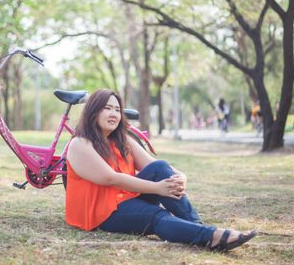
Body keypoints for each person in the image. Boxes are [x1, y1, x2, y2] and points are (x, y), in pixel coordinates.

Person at [65, 89, 256, 252]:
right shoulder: (79, 144)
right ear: (93, 112)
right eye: (107, 108)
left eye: (117, 109)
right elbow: (110, 178)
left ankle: (195, 225)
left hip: (124, 200)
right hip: (101, 212)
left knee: (159, 168)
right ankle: (209, 235)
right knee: (155, 215)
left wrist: (181, 176)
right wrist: (157, 188)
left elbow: (154, 165)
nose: (114, 114)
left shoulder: (122, 140)